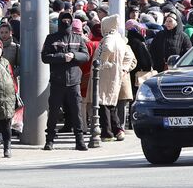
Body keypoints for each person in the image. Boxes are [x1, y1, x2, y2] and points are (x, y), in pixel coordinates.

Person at [41, 11, 90, 150]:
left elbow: (85, 55)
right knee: (54, 111)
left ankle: (79, 141)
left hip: (74, 81)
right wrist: (63, 57)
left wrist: (73, 55)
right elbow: (45, 57)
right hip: (57, 80)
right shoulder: (51, 38)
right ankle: (49, 140)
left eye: (69, 19)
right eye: (64, 19)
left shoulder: (78, 38)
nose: (66, 22)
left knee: (76, 112)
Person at [92, 14, 135, 142]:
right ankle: (118, 130)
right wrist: (123, 68)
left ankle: (107, 133)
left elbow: (107, 48)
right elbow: (129, 57)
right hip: (115, 74)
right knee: (111, 103)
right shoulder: (120, 39)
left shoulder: (109, 38)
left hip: (105, 74)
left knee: (103, 102)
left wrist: (102, 62)